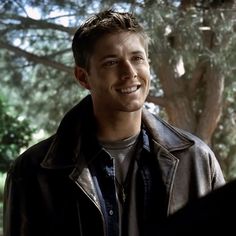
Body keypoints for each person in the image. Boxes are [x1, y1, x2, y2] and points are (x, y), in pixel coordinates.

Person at [3, 9, 225, 236]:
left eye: (137, 58)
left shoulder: (197, 160)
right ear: (83, 77)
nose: (129, 72)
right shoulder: (32, 171)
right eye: (111, 62)